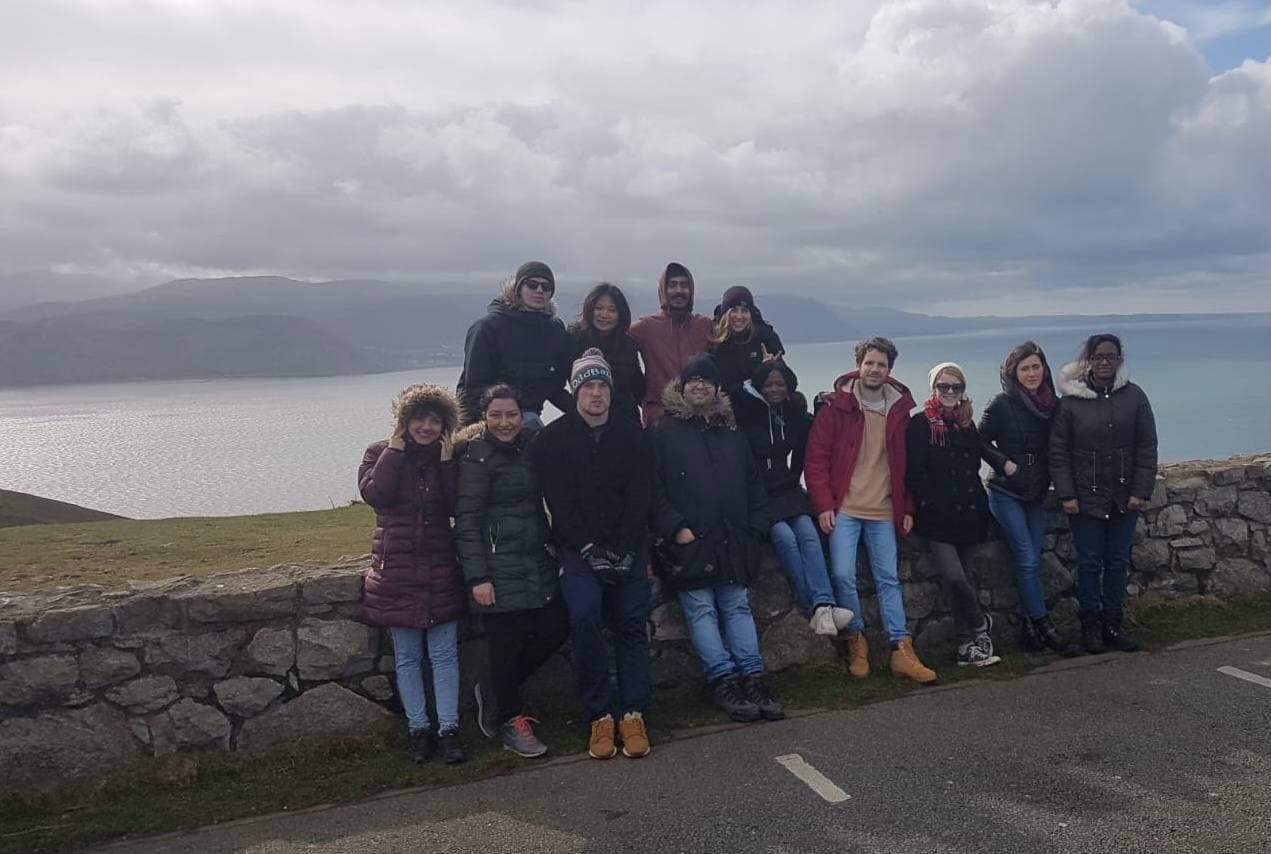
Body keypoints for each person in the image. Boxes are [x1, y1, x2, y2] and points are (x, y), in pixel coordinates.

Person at [648, 353, 785, 722]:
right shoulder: (661, 431)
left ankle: (753, 677)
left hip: (733, 537)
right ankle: (722, 680)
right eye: (693, 380)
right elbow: (653, 488)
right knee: (701, 609)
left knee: (737, 605)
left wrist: (755, 527)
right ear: (682, 386)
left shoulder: (732, 431)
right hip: (689, 540)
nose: (699, 385)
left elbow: (753, 484)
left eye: (706, 380)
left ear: (716, 388)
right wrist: (676, 528)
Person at [532, 348, 654, 760]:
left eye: (602, 385)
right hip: (578, 551)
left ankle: (634, 713)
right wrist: (588, 548)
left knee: (631, 624)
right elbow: (558, 501)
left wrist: (626, 549)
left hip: (629, 547)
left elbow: (641, 495)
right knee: (585, 617)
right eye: (588, 387)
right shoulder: (552, 439)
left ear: (611, 391)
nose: (596, 393)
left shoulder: (633, 434)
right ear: (575, 391)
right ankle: (599, 715)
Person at [804, 336, 939, 685]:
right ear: (858, 365)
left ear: (889, 369)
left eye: (881, 364)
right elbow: (816, 459)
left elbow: (906, 465)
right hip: (845, 508)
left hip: (883, 509)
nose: (874, 369)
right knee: (842, 574)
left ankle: (901, 649)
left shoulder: (899, 411)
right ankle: (857, 640)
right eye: (869, 363)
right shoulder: (835, 407)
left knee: (888, 579)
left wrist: (907, 506)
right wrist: (823, 504)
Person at [453, 384, 568, 758]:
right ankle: (509, 719)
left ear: (522, 416)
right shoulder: (476, 458)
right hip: (496, 566)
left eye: (512, 414)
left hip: (535, 559)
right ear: (484, 417)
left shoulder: (530, 448)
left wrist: (551, 540)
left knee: (556, 627)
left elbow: (537, 504)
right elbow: (466, 521)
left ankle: (494, 692)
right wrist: (478, 577)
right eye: (496, 415)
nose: (505, 422)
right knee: (505, 644)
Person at [358, 384, 466, 764]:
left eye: (434, 420)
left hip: (440, 568)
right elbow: (376, 495)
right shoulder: (378, 453)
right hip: (397, 572)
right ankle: (418, 730)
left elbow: (456, 506)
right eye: (419, 418)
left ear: (445, 425)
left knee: (444, 655)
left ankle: (448, 730)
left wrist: (448, 463)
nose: (426, 427)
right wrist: (395, 450)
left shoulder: (447, 458)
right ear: (404, 420)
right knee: (407, 656)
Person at [1051, 334, 1158, 654]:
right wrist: (1067, 495)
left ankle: (1113, 625)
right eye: (1098, 356)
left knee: (1117, 562)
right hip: (1085, 499)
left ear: (1119, 360)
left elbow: (1147, 446)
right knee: (1090, 563)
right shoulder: (1071, 402)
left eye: (1110, 356)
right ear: (1088, 361)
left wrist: (1140, 491)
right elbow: (1058, 452)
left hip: (1124, 497)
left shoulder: (1134, 397)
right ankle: (1091, 628)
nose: (1104, 362)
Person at [734, 359, 852, 637]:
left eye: (780, 384)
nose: (774, 389)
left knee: (808, 534)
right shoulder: (746, 414)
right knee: (785, 538)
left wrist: (821, 402)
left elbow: (810, 435)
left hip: (787, 489)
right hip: (759, 494)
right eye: (768, 384)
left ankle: (824, 603)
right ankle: (814, 606)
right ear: (759, 386)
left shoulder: (792, 413)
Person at [980, 341, 1081, 656]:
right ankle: (1044, 626)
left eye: (1036, 367)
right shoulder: (1002, 404)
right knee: (1026, 558)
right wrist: (1005, 464)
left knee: (1034, 560)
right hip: (1006, 492)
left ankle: (1028, 628)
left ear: (1044, 369)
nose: (1031, 373)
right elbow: (978, 440)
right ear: (1014, 373)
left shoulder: (1053, 405)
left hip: (1036, 494)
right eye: (1024, 368)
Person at [905, 363, 1000, 668]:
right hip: (937, 518)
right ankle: (981, 626)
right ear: (933, 388)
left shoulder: (966, 424)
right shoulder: (920, 424)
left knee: (964, 580)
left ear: (962, 391)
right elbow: (915, 472)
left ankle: (965, 645)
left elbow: (974, 466)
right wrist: (928, 503)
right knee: (955, 577)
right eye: (943, 386)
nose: (949, 392)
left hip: (969, 513)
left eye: (955, 387)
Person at [455, 261, 575, 427]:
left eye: (546, 286)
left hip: (530, 415)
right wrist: (506, 416)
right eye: (532, 284)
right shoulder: (487, 327)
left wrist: (586, 413)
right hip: (487, 417)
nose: (539, 290)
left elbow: (553, 386)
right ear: (518, 288)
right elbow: (473, 388)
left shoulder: (554, 330)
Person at [629, 262, 713, 425]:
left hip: (700, 417)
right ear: (663, 290)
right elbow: (612, 335)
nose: (679, 290)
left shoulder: (704, 325)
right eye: (672, 285)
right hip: (659, 419)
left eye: (684, 285)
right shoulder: (646, 327)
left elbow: (731, 334)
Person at [568, 283, 645, 423]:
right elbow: (557, 383)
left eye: (612, 310)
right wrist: (574, 410)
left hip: (625, 420)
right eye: (598, 308)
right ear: (589, 309)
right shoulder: (573, 340)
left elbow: (638, 387)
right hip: (585, 419)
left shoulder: (628, 344)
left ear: (621, 314)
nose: (604, 315)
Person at [707, 286, 784, 399]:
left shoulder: (764, 339)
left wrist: (770, 369)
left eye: (744, 311)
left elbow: (786, 382)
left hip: (759, 403)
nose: (739, 316)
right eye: (734, 310)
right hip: (725, 404)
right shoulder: (714, 341)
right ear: (725, 313)